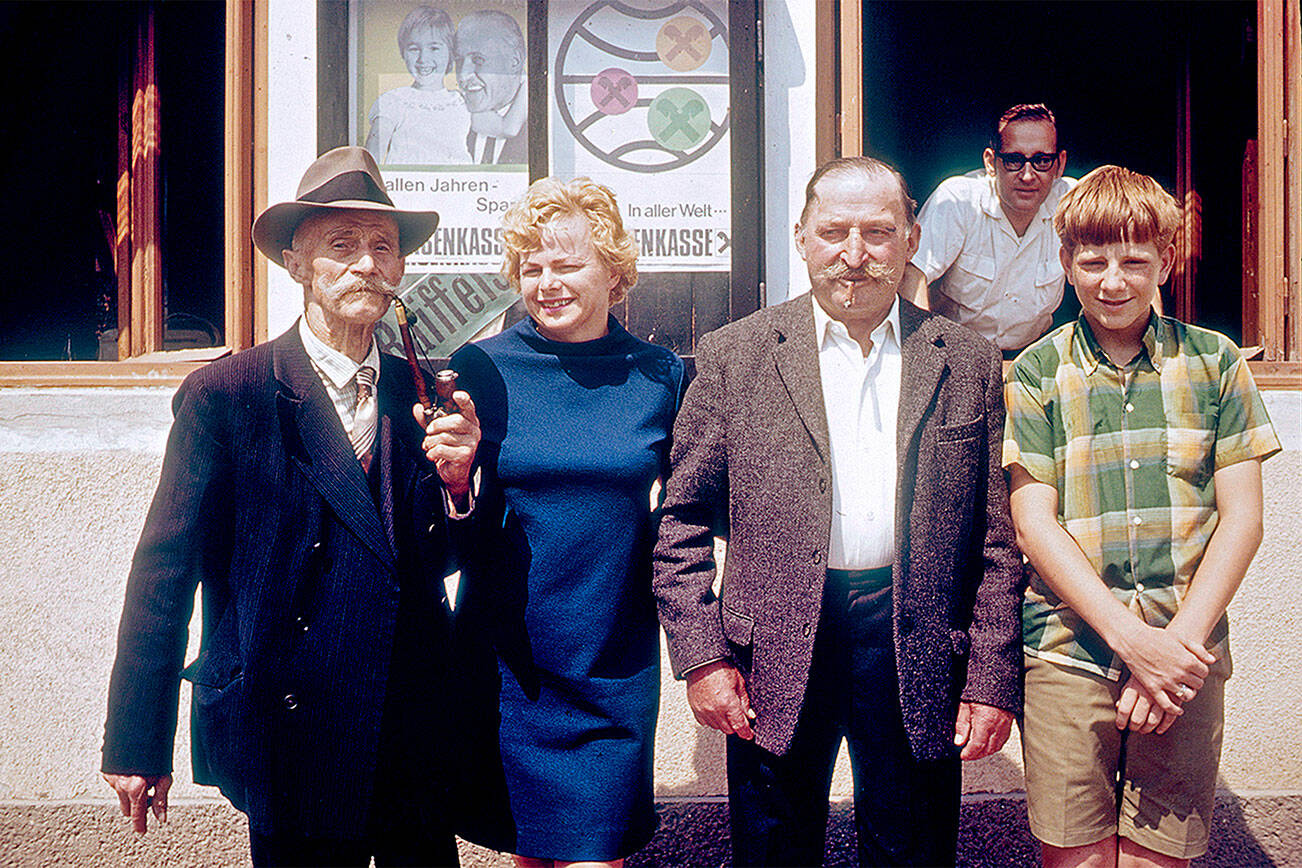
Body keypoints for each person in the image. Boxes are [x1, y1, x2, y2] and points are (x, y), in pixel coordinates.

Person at [100, 146, 482, 867]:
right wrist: (135, 740)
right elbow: (163, 576)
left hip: (408, 728)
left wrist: (459, 490)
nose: (365, 264)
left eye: (382, 247)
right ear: (296, 263)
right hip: (288, 731)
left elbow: (430, 565)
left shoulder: (425, 393)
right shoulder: (230, 396)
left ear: (400, 270)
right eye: (341, 246)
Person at [653, 156, 1023, 866]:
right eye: (834, 232)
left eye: (878, 232)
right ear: (801, 237)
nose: (854, 256)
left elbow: (998, 542)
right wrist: (702, 658)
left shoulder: (966, 360)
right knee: (773, 847)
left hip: (912, 634)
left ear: (912, 239)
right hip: (775, 643)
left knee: (911, 846)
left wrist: (990, 677)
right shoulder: (736, 356)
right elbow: (681, 523)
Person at [1004, 165, 1279, 867]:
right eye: (1093, 262)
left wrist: (1174, 651)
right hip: (1069, 653)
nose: (1113, 281)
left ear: (1167, 260)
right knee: (1080, 858)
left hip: (1186, 652)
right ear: (1066, 264)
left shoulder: (1216, 364)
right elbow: (1035, 523)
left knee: (1161, 858)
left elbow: (1242, 519)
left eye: (1134, 260)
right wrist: (1134, 644)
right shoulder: (1036, 372)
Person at [441, 177, 683, 867]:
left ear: (613, 269)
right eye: (532, 267)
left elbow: (687, 515)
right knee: (532, 856)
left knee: (594, 855)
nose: (547, 282)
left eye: (566, 263)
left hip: (611, 658)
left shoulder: (659, 375)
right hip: (508, 662)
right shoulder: (481, 367)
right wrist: (456, 487)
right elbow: (457, 533)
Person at [908, 104, 1075, 354]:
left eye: (1041, 161)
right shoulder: (958, 200)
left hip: (1028, 358)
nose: (1028, 176)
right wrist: (924, 356)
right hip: (953, 355)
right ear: (991, 162)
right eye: (1013, 160)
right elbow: (912, 274)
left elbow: (1131, 245)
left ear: (1059, 164)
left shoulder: (1073, 202)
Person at [365, 5, 473, 165]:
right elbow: (371, 159)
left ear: (450, 52)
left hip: (457, 187)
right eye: (414, 49)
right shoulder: (393, 101)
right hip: (406, 187)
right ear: (403, 53)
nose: (423, 58)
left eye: (434, 48)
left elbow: (505, 128)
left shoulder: (463, 101)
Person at [454, 9, 527, 165]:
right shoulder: (452, 112)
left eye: (478, 60)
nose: (463, 75)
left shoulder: (544, 119)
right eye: (459, 60)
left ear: (514, 61)